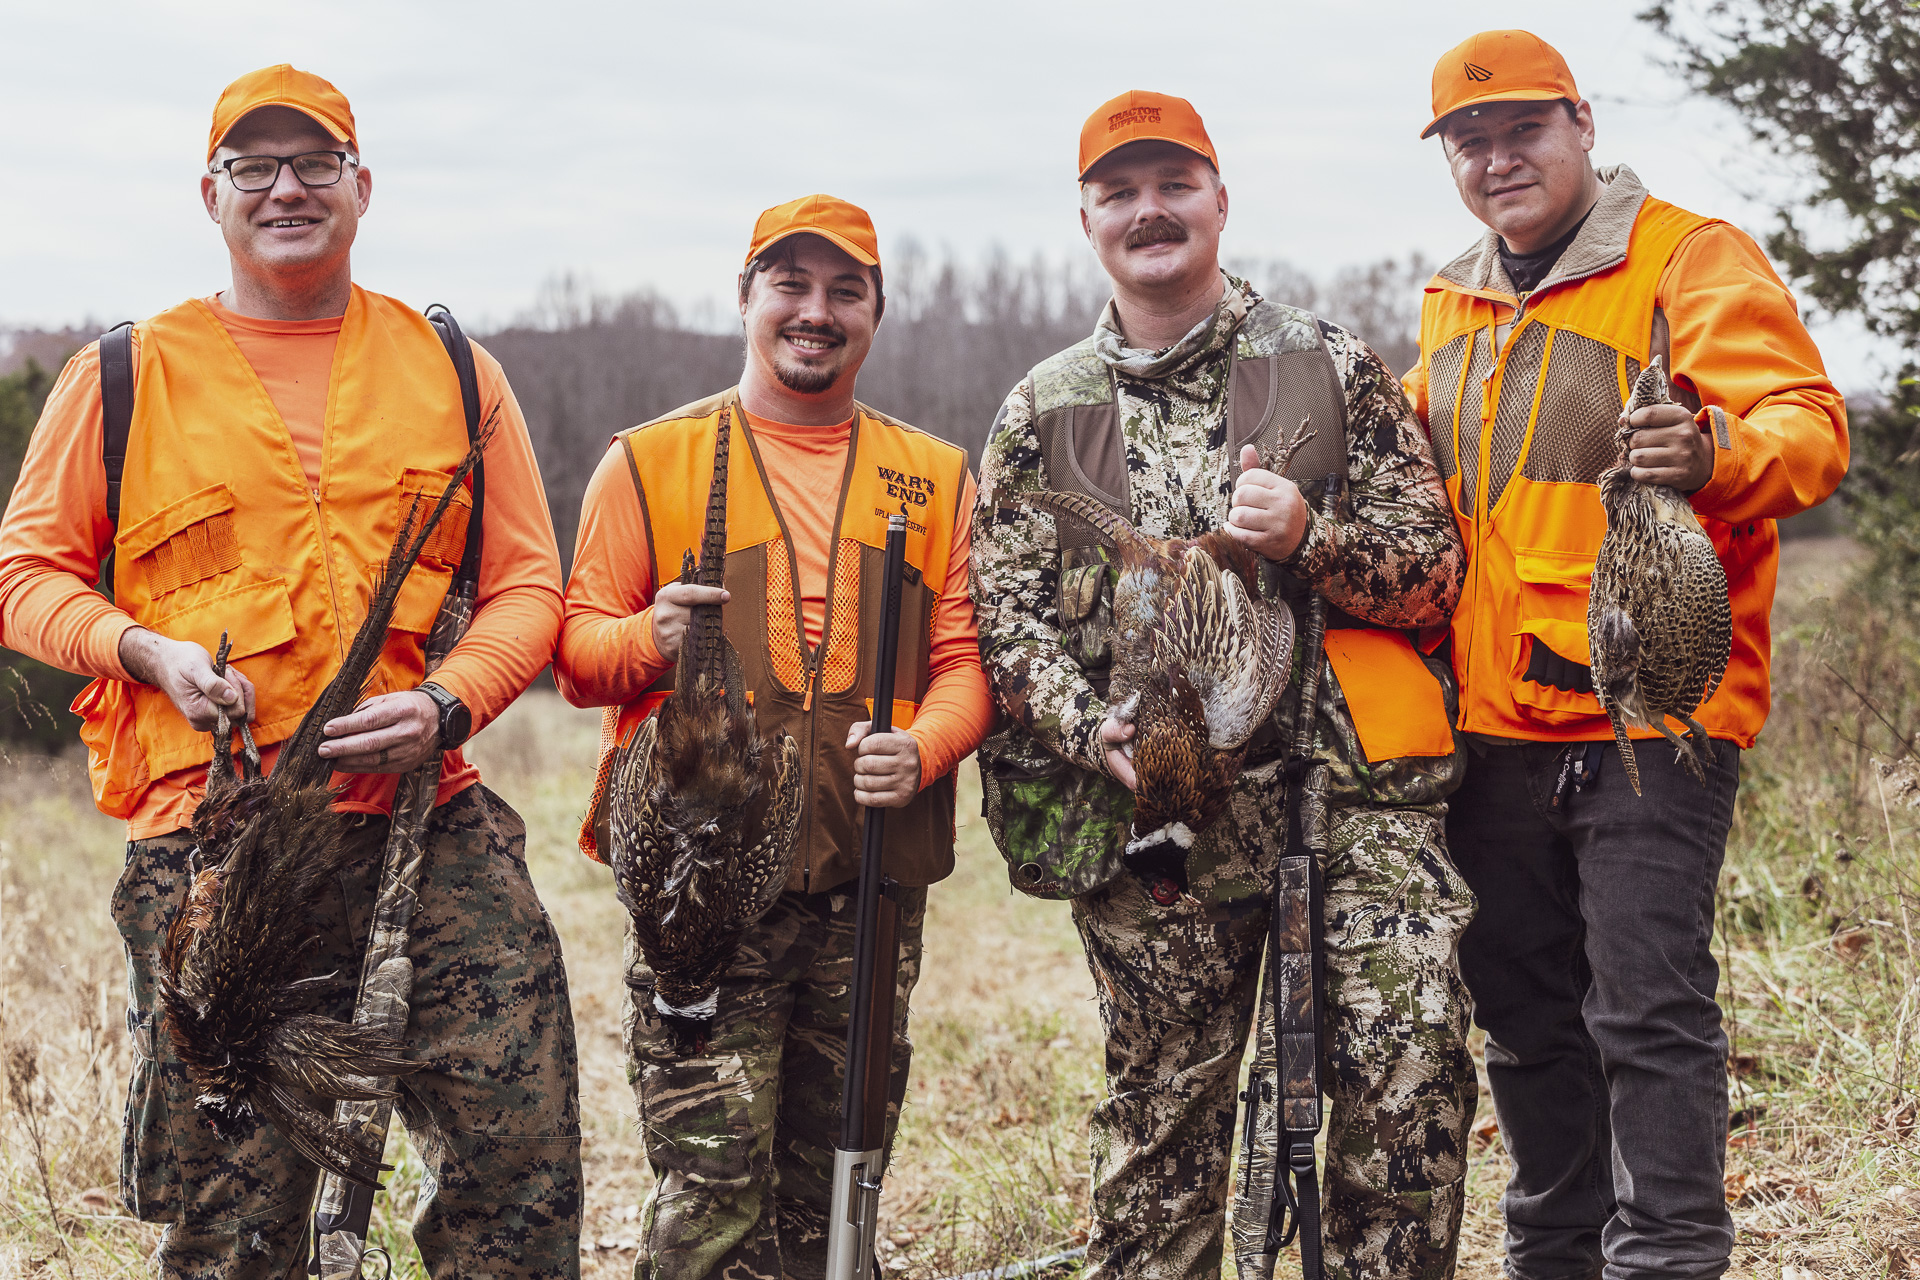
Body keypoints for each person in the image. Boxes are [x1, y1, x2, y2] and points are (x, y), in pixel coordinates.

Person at [0, 65, 580, 1278]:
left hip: (429, 825)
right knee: (235, 1218)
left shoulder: (456, 369)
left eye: (316, 162)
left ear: (362, 187)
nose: (286, 187)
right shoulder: (122, 374)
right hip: (215, 847)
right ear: (208, 194)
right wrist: (144, 651)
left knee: (519, 1174)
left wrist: (447, 700)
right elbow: (25, 577)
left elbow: (532, 584)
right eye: (253, 167)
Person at [970, 91, 1477, 1280]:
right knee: (1163, 1135)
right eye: (1120, 191)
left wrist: (1311, 536)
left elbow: (1435, 576)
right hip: (1158, 819)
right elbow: (1007, 618)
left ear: (1218, 200)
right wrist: (1085, 724)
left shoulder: (1325, 362)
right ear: (1089, 217)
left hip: (1346, 803)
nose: (1150, 210)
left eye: (1174, 184)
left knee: (1406, 1083)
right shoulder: (1041, 410)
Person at [1403, 30, 1849, 1280]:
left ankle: (1669, 1258)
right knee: (1527, 1020)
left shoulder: (1686, 258)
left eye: (1523, 132)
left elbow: (1808, 429)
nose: (1499, 162)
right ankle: (1554, 1253)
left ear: (1582, 125)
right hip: (1489, 732)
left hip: (1650, 719)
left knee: (1646, 1009)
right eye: (1471, 143)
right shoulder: (1452, 300)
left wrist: (1712, 452)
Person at [555, 194, 992, 1280]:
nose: (816, 310)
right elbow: (573, 652)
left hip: (869, 881)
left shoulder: (935, 477)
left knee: (840, 1192)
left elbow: (966, 660)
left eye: (846, 289)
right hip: (702, 896)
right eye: (790, 284)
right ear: (745, 295)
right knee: (710, 1195)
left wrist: (926, 747)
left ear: (877, 313)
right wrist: (648, 637)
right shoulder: (648, 461)